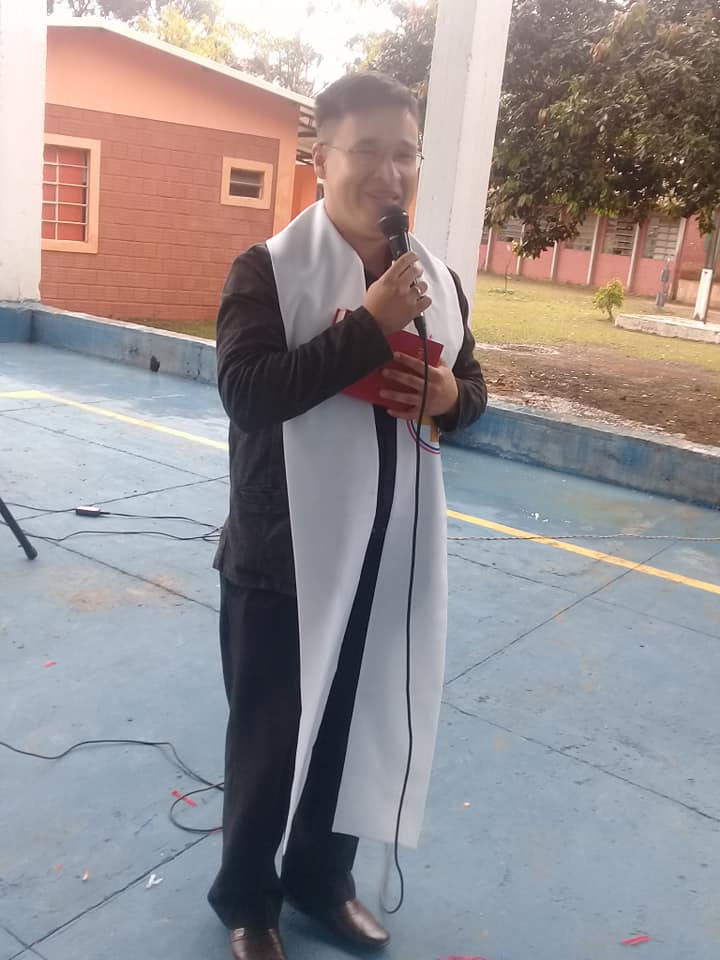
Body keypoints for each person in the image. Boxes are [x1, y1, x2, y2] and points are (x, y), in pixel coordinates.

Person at [209, 71, 487, 960]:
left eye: (405, 153)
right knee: (270, 740)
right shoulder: (265, 271)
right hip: (280, 556)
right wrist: (367, 324)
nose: (389, 172)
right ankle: (247, 900)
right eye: (367, 150)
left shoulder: (436, 279)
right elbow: (249, 395)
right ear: (319, 158)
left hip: (387, 547)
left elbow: (472, 389)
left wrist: (452, 398)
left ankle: (322, 882)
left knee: (350, 729)